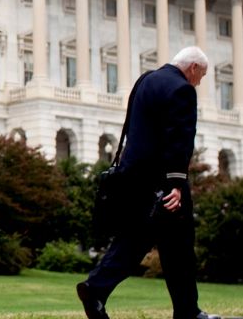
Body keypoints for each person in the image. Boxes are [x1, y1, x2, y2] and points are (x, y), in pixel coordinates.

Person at [77, 46, 216, 319]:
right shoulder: (182, 90)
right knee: (178, 247)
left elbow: (132, 127)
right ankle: (186, 311)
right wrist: (176, 183)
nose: (199, 82)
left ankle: (96, 287)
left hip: (133, 177)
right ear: (193, 68)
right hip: (163, 182)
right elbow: (179, 138)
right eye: (201, 76)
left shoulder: (146, 80)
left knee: (137, 240)